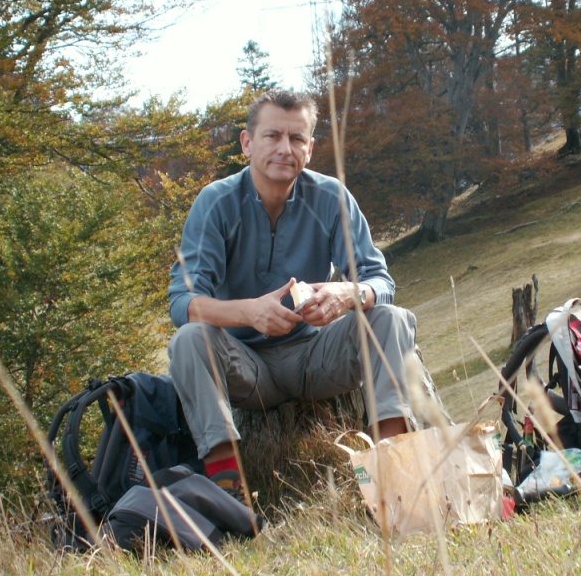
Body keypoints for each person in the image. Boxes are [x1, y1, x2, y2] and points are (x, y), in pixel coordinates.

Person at [167, 89, 417, 507]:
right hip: (247, 368)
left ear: (311, 147)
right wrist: (250, 312)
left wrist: (346, 292)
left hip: (316, 353)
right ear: (248, 143)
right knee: (189, 340)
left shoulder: (331, 197)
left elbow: (380, 280)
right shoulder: (215, 204)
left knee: (391, 317)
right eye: (272, 136)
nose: (285, 149)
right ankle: (229, 494)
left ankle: (393, 473)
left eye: (297, 139)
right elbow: (183, 304)